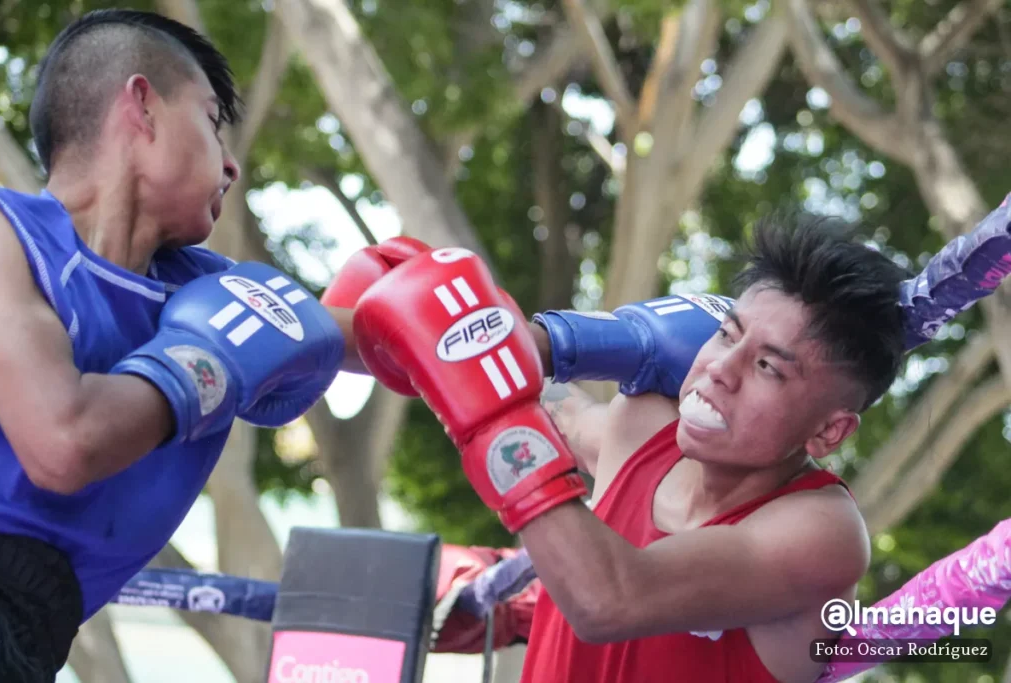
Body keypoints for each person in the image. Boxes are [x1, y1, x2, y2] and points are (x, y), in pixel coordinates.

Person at [348, 217, 911, 683]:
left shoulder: (820, 532)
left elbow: (608, 599)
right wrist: (365, 330)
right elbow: (526, 390)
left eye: (767, 366)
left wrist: (489, 408)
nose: (720, 370)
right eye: (727, 335)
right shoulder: (642, 428)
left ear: (829, 433)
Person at [0, 10, 366, 681]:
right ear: (141, 105)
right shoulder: (1, 236)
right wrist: (209, 359)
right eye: (213, 117)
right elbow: (63, 441)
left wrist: (588, 341)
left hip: (32, 635)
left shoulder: (220, 295)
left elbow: (412, 335)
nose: (231, 162)